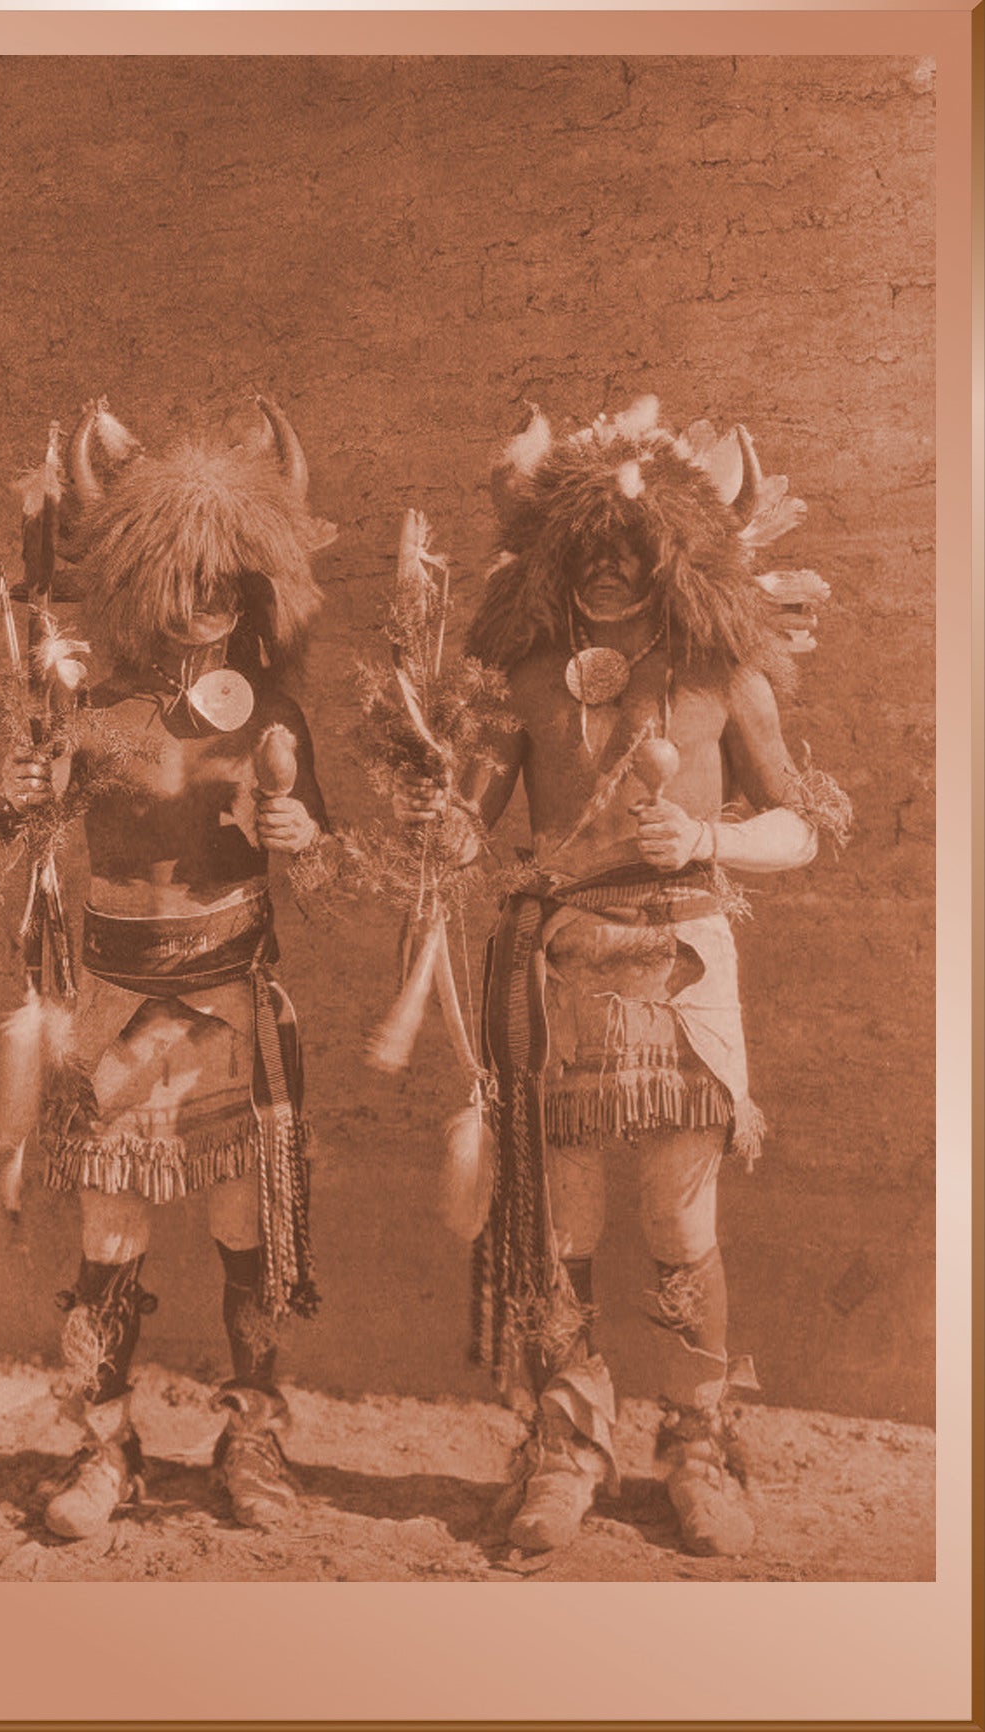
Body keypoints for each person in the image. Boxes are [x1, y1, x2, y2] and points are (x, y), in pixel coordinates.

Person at [407, 396, 847, 1557]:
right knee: (564, 1216)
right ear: (555, 555)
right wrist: (448, 826)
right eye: (587, 550)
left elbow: (801, 825)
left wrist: (706, 838)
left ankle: (698, 1440)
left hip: (682, 962)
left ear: (673, 554)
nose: (606, 569)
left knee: (677, 1212)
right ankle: (566, 1440)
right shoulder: (526, 677)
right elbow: (469, 812)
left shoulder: (720, 670)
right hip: (558, 964)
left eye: (630, 550)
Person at [0, 397, 332, 1540]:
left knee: (246, 1227)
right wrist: (20, 796)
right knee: (110, 1236)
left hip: (233, 1002)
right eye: (185, 580)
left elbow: (326, 854)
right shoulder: (90, 708)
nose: (207, 601)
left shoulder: (272, 710)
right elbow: (17, 823)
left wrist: (301, 832)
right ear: (145, 582)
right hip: (116, 1004)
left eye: (227, 579)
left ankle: (254, 1440)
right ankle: (106, 1445)